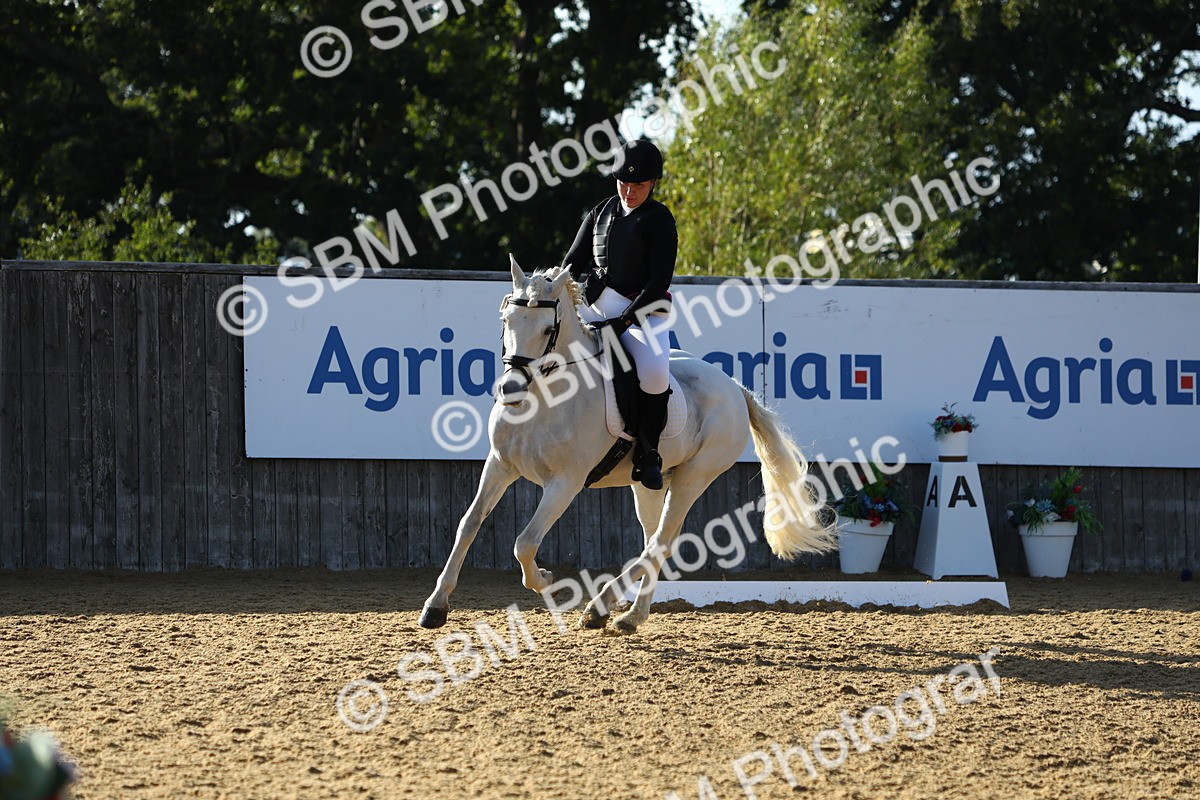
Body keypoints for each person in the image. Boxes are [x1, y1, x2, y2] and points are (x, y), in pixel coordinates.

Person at [560, 139, 677, 490]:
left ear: (653, 184)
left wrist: (625, 320)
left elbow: (658, 282)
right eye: (623, 183)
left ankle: (648, 454)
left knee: (655, 373)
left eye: (638, 185)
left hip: (643, 313)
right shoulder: (599, 213)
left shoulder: (659, 220)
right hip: (597, 309)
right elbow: (572, 262)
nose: (629, 191)